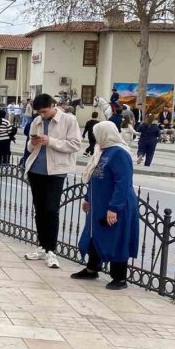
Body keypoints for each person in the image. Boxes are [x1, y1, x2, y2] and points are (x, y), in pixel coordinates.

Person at [70, 121, 138, 290]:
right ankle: (92, 269)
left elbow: (122, 183)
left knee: (116, 239)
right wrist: (87, 198)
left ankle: (120, 278)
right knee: (95, 236)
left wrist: (114, 208)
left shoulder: (119, 153)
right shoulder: (102, 151)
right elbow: (94, 176)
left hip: (116, 206)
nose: (94, 136)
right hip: (99, 204)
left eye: (97, 133)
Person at [23, 94, 80, 269]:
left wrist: (51, 141)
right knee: (39, 210)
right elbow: (29, 147)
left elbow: (75, 144)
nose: (42, 114)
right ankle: (42, 246)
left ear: (53, 106)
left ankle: (51, 250)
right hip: (36, 169)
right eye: (39, 112)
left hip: (56, 171)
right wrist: (33, 142)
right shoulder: (37, 121)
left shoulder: (69, 120)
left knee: (51, 209)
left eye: (44, 111)